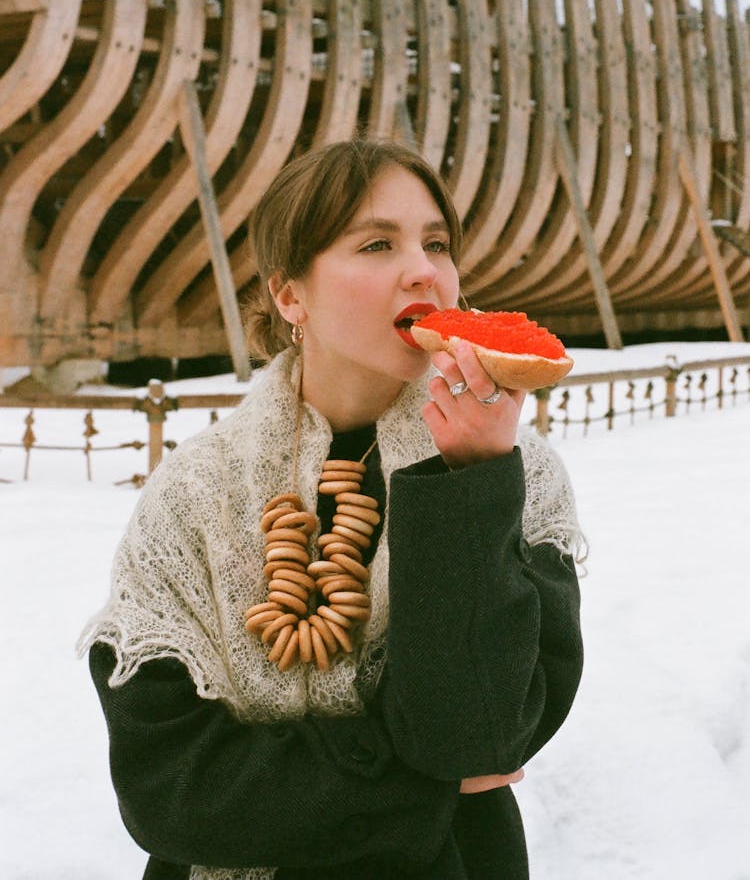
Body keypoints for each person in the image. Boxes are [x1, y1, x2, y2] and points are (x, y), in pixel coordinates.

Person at [79, 138, 586, 880]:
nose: (425, 271)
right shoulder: (195, 490)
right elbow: (173, 791)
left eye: (437, 243)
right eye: (377, 242)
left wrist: (472, 480)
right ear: (291, 295)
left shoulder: (515, 472)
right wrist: (425, 783)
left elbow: (477, 734)